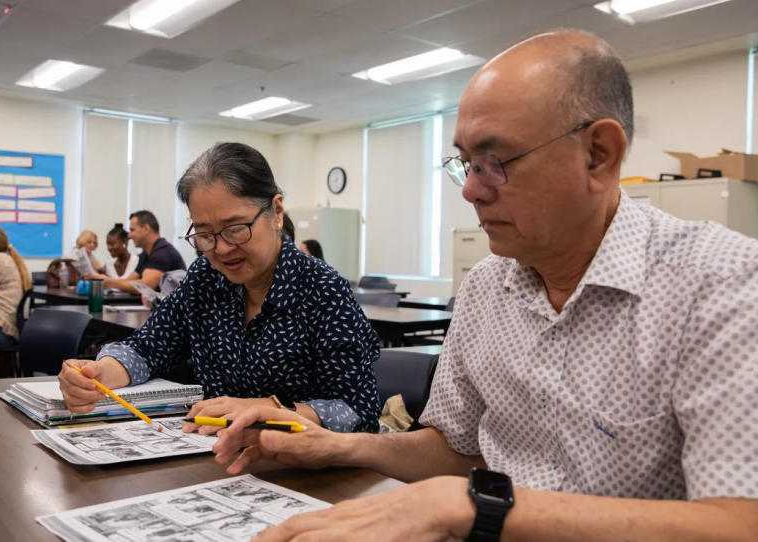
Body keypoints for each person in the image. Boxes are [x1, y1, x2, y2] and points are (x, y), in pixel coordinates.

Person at [208, 30, 758, 542]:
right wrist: (341, 446)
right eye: (464, 163)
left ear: (599, 155)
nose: (470, 190)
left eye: (495, 162)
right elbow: (456, 450)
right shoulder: (489, 287)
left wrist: (474, 507)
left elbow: (740, 521)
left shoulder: (721, 284)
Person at [59, 142, 381, 434]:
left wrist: (267, 409)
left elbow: (356, 410)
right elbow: (147, 348)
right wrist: (98, 375)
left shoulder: (322, 290)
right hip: (217, 454)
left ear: (277, 212)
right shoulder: (206, 278)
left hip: (300, 468)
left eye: (236, 229)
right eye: (204, 234)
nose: (222, 250)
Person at [89, 210, 185, 294]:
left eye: (132, 230)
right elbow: (129, 281)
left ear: (146, 229)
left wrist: (108, 282)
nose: (129, 235)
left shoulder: (163, 252)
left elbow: (145, 286)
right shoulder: (145, 255)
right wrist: (103, 279)